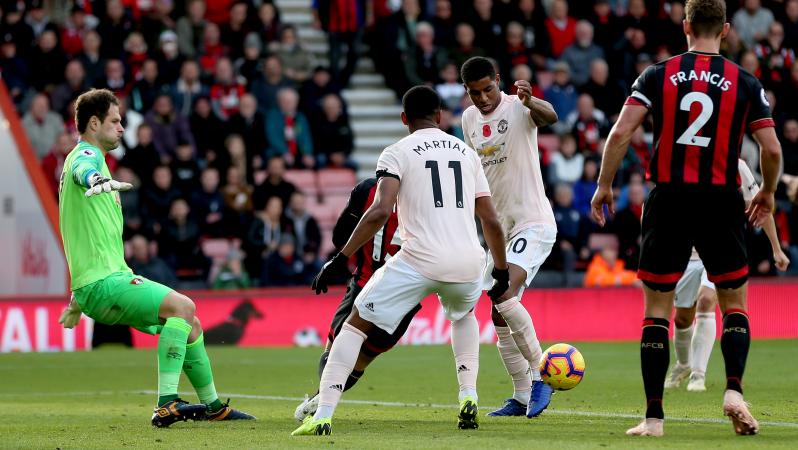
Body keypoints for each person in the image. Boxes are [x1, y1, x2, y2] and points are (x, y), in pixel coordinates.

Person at [590, 0, 782, 437]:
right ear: (727, 30)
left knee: (656, 310)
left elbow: (621, 132)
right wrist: (767, 193)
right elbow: (771, 149)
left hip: (669, 200)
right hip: (721, 201)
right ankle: (733, 388)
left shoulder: (657, 74)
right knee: (734, 304)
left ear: (686, 26)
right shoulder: (745, 82)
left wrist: (604, 184)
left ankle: (654, 418)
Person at [291, 86, 511, 436]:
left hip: (420, 258)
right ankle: (468, 396)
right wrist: (499, 268)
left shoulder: (397, 152)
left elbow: (379, 211)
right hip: (469, 260)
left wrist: (340, 257)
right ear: (440, 116)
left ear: (404, 118)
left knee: (354, 326)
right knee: (464, 315)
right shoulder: (468, 154)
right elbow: (491, 220)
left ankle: (323, 414)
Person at [55, 88, 254, 427]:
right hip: (105, 283)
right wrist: (96, 179)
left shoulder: (91, 160)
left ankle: (213, 407)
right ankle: (166, 403)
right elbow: (83, 169)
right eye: (115, 121)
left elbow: (86, 242)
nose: (122, 127)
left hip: (98, 282)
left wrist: (76, 300)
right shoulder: (85, 156)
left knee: (190, 325)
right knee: (183, 307)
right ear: (93, 122)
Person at [460, 56, 559, 418]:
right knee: (498, 310)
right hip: (499, 232)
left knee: (503, 291)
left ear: (498, 80)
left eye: (488, 89)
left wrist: (532, 101)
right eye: (475, 92)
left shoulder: (520, 106)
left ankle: (541, 374)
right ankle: (520, 396)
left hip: (532, 222)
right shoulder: (469, 119)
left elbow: (551, 117)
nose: (483, 98)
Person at [293, 177, 412, 422]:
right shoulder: (426, 196)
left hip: (366, 283)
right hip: (407, 290)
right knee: (363, 358)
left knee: (336, 348)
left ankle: (322, 399)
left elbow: (339, 237)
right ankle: (467, 393)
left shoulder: (367, 189)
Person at [665, 160, 789, 392]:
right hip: (684, 254)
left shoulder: (735, 165)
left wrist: (776, 248)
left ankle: (697, 375)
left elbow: (762, 207)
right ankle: (684, 363)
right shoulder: (680, 159)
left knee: (706, 300)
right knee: (682, 319)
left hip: (718, 251)